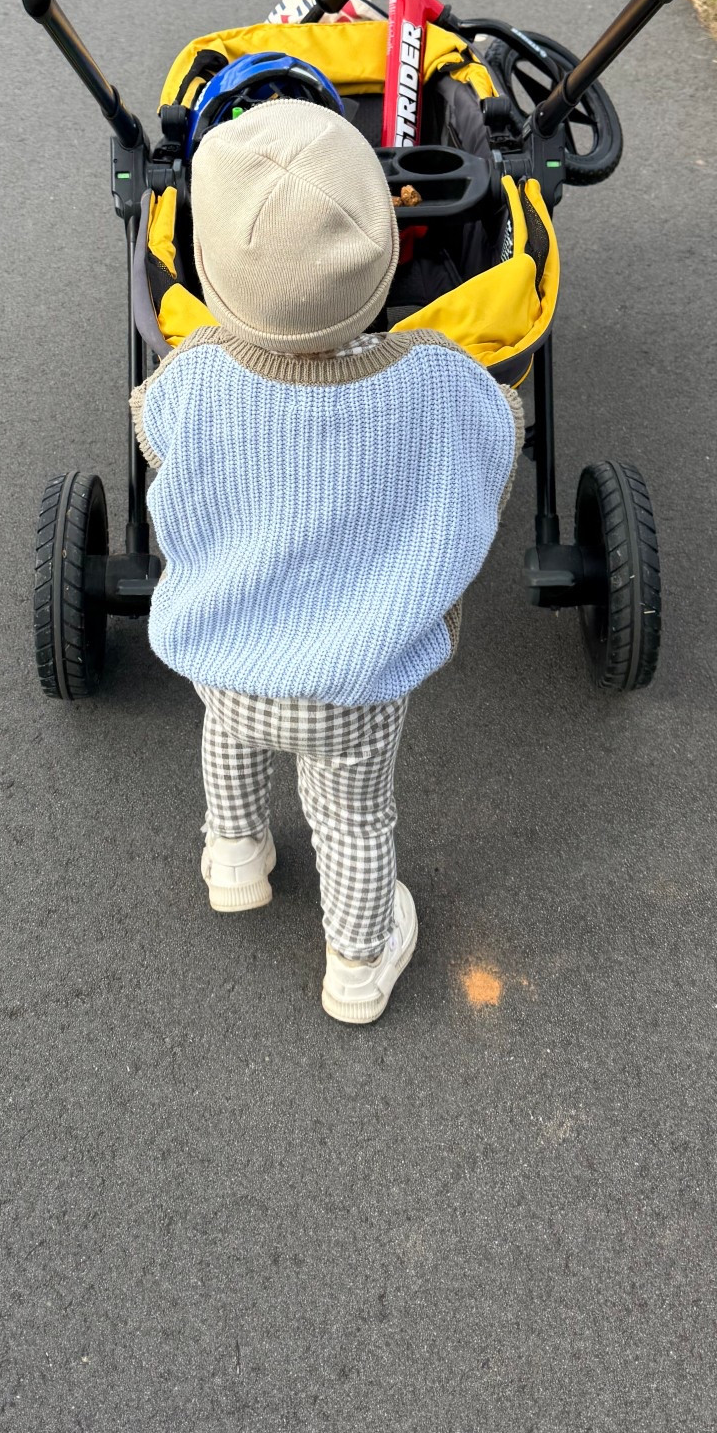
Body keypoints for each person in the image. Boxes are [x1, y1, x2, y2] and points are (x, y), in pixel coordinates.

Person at [131, 99, 522, 1024]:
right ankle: (357, 957)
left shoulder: (195, 377)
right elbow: (502, 424)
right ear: (388, 254)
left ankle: (234, 855)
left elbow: (152, 431)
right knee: (352, 820)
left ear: (212, 278)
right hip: (356, 683)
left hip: (226, 656)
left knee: (228, 740)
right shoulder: (433, 378)